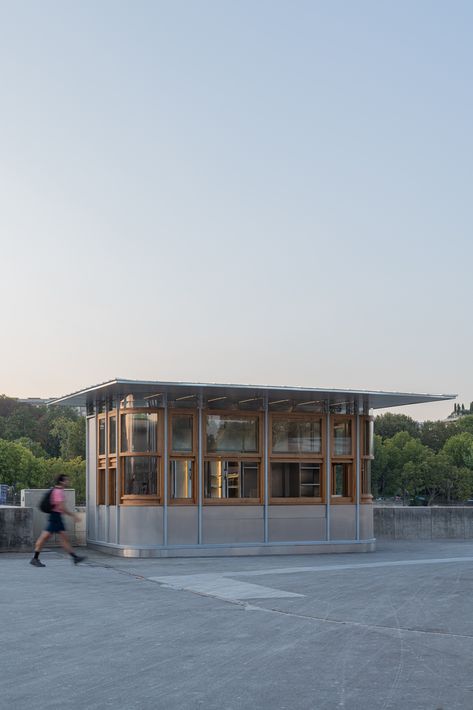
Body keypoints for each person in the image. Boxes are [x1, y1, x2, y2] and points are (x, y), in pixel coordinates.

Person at [30, 474, 86, 567]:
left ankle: (75, 557)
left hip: (56, 516)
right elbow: (61, 507)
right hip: (55, 516)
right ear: (61, 481)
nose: (68, 482)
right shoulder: (58, 492)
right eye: (66, 480)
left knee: (61, 538)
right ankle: (35, 558)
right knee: (46, 538)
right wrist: (73, 515)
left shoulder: (57, 490)